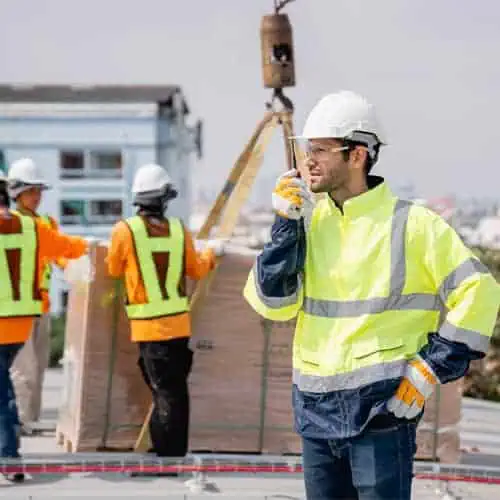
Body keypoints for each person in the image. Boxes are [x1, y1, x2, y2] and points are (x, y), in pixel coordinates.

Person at [243, 90, 500, 499]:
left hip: (381, 412)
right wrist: (283, 227)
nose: (307, 160)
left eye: (321, 150)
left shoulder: (413, 224)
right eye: (307, 149)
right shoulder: (306, 221)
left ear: (357, 154)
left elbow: (480, 292)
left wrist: (429, 370)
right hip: (315, 411)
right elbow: (273, 304)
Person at [106, 163, 225, 460]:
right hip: (177, 325)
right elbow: (196, 269)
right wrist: (212, 253)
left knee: (166, 391)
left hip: (147, 327)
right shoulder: (178, 230)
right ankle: (165, 448)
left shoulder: (125, 231)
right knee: (168, 389)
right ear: (164, 199)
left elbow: (112, 268)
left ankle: (170, 454)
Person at [0, 171, 88, 482]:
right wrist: (90, 246)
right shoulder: (32, 227)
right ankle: (9, 453)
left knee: (6, 390)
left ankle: (10, 457)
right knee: (6, 387)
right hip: (20, 321)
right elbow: (68, 247)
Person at [7, 158, 69, 430]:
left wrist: (79, 268)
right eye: (31, 191)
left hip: (41, 305)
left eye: (39, 191)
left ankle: (30, 418)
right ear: (16, 193)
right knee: (23, 368)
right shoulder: (9, 223)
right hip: (15, 308)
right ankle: (19, 419)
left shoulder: (47, 223)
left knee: (40, 365)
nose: (37, 197)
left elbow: (60, 255)